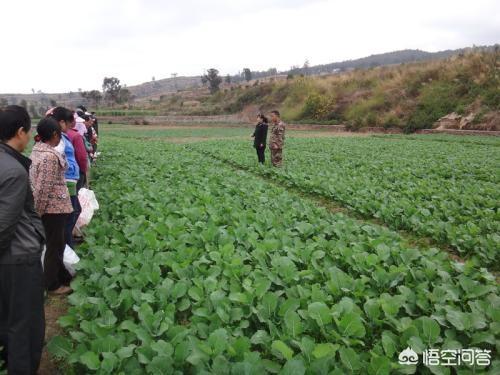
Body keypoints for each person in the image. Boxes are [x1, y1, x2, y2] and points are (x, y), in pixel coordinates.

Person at [0, 105, 45, 374]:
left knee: (7, 322)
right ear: (19, 132)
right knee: (25, 329)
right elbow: (4, 227)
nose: (28, 139)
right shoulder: (14, 172)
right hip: (17, 261)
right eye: (28, 133)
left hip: (8, 260)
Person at [30, 118, 73, 295]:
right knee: (55, 246)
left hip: (52, 209)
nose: (60, 139)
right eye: (59, 136)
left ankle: (62, 275)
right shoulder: (49, 157)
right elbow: (43, 189)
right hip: (53, 210)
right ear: (54, 134)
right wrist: (38, 212)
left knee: (58, 244)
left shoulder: (38, 150)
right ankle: (52, 284)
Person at [47, 107, 81, 249]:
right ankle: (66, 249)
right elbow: (55, 160)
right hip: (66, 182)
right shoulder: (58, 139)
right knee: (69, 217)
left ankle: (65, 247)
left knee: (71, 215)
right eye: (68, 123)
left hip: (68, 181)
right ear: (61, 122)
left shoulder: (61, 137)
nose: (70, 126)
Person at [67, 112, 88, 191]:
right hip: (73, 174)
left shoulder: (56, 134)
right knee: (75, 196)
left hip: (60, 175)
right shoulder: (75, 135)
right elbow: (82, 157)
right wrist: (83, 170)